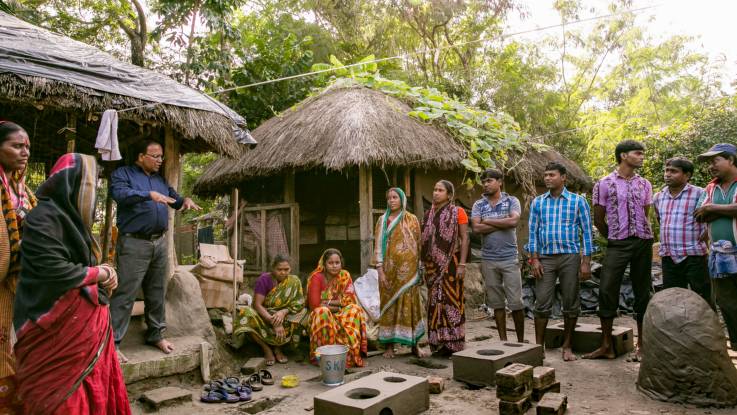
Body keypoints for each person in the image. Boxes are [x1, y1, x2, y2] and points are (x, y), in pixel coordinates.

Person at [13, 153, 130, 414]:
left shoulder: (77, 222)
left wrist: (106, 273)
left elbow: (88, 265)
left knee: (94, 395)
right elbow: (53, 269)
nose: (93, 193)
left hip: (88, 330)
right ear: (67, 183)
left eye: (94, 186)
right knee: (62, 401)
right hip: (55, 332)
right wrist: (99, 274)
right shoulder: (42, 218)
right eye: (88, 185)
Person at [110, 140, 201, 362]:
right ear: (141, 156)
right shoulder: (123, 174)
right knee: (125, 293)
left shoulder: (160, 180)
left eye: (162, 157)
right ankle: (112, 344)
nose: (160, 160)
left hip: (159, 242)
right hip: (134, 243)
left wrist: (184, 201)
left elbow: (174, 199)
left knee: (157, 291)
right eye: (155, 156)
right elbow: (120, 195)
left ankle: (156, 335)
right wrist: (147, 194)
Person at [585, 140, 654, 361]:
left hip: (643, 242)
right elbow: (598, 219)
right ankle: (607, 346)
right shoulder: (604, 184)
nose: (642, 157)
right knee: (606, 289)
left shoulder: (645, 184)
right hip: (618, 244)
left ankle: (642, 346)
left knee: (642, 290)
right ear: (624, 156)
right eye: (638, 153)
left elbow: (645, 214)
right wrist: (615, 237)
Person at [526, 162, 594, 361]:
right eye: (545, 175)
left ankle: (567, 346)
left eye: (552, 175)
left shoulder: (577, 201)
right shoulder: (538, 202)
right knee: (542, 302)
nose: (547, 178)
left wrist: (586, 261)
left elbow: (587, 233)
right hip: (545, 259)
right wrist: (534, 259)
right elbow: (532, 233)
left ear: (563, 177)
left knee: (571, 302)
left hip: (570, 258)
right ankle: (539, 347)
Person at [0, 121, 36, 414]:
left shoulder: (22, 189)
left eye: (26, 146)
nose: (24, 152)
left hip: (20, 282)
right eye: (16, 146)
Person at [471, 170, 524, 343]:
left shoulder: (512, 201)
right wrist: (503, 222)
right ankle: (504, 341)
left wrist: (487, 221)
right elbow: (476, 229)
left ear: (500, 182)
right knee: (497, 304)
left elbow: (514, 221)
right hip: (489, 259)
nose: (485, 184)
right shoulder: (479, 204)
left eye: (489, 181)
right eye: (484, 181)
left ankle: (521, 342)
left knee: (516, 303)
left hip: (510, 258)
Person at [374, 187, 428, 358]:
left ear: (402, 199)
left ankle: (415, 346)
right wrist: (380, 270)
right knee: (389, 306)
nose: (391, 200)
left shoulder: (412, 219)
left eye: (395, 197)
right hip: (389, 272)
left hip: (410, 273)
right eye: (389, 198)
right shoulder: (382, 221)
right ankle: (389, 346)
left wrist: (420, 268)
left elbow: (419, 245)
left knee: (412, 306)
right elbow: (377, 247)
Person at [694, 143, 737, 351]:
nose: (711, 166)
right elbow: (699, 214)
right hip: (720, 255)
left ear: (731, 160)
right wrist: (726, 210)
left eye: (716, 160)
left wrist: (712, 208)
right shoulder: (711, 188)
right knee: (726, 301)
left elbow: (707, 210)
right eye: (710, 162)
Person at [653, 157, 711, 305]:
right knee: (674, 301)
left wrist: (707, 232)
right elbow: (661, 220)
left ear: (687, 175)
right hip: (669, 256)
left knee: (702, 298)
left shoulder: (700, 194)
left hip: (694, 255)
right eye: (666, 170)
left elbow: (710, 218)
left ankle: (707, 328)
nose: (668, 174)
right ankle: (678, 329)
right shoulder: (659, 197)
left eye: (673, 171)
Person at [422, 180, 470, 355]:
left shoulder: (459, 212)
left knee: (452, 301)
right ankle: (437, 343)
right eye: (434, 189)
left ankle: (453, 343)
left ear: (449, 195)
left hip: (452, 264)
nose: (435, 193)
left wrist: (463, 264)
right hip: (432, 268)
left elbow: (465, 239)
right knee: (434, 303)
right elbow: (424, 242)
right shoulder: (428, 215)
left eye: (440, 190)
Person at [232, 254, 306, 365]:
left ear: (290, 269)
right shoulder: (264, 279)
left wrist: (283, 312)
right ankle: (266, 349)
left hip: (284, 317)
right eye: (279, 269)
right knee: (246, 313)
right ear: (273, 269)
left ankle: (278, 348)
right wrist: (274, 322)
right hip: (265, 316)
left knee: (303, 312)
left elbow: (299, 302)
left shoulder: (294, 281)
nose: (283, 272)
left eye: (286, 269)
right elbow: (257, 305)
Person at [306, 249, 367, 367]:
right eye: (330, 263)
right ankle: (323, 356)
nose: (334, 266)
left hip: (341, 313)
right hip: (320, 316)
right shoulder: (316, 277)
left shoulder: (345, 275)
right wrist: (338, 304)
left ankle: (349, 356)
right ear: (324, 264)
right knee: (322, 311)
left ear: (341, 263)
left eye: (337, 262)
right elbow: (314, 305)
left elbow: (349, 299)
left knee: (355, 309)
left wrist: (327, 302)